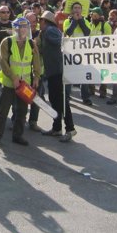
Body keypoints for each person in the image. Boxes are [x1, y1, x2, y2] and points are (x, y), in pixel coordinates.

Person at [0, 17, 41, 147]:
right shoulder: (7, 42)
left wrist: (36, 77)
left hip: (25, 84)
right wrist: (13, 77)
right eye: (20, 27)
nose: (23, 30)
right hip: (9, 83)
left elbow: (36, 62)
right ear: (15, 28)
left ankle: (18, 135)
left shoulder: (31, 43)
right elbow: (3, 62)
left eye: (25, 27)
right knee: (3, 111)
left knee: (22, 112)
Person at [39, 11, 76, 142]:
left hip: (58, 71)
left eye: (40, 21)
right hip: (53, 71)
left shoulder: (50, 31)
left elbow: (62, 42)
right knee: (55, 100)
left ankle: (70, 129)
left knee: (61, 101)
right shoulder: (46, 32)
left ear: (45, 21)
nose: (39, 23)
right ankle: (56, 128)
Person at [63, 2, 93, 105]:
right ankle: (66, 97)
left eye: (79, 8)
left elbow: (87, 32)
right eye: (75, 8)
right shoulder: (67, 21)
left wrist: (80, 20)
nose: (77, 10)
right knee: (68, 76)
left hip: (82, 53)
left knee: (83, 76)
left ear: (81, 10)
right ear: (72, 10)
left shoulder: (86, 21)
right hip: (70, 53)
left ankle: (86, 97)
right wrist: (74, 21)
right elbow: (68, 32)